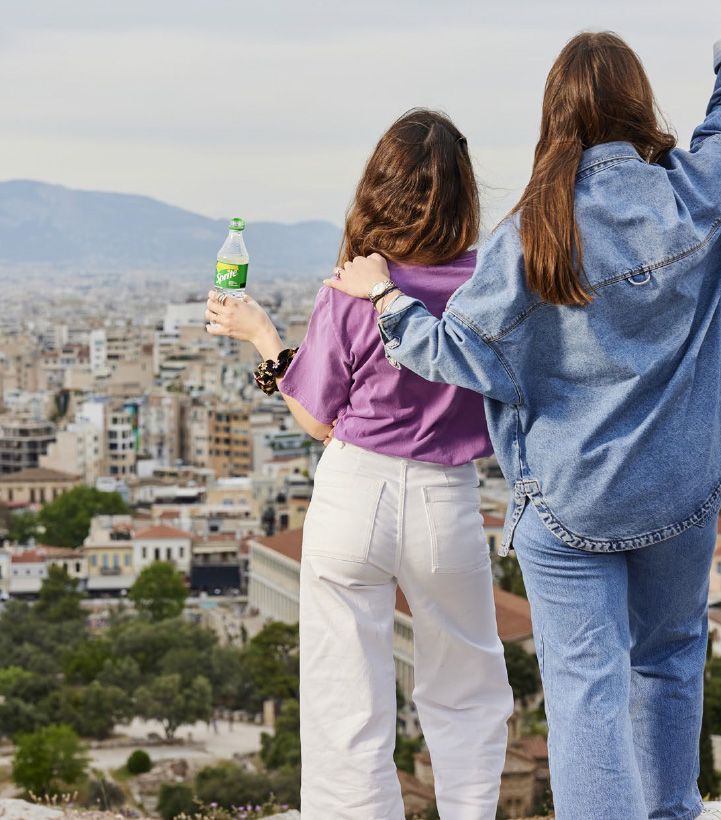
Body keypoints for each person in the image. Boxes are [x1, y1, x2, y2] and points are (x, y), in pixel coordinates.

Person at [323, 3, 721, 820]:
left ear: (555, 116)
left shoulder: (531, 238)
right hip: (682, 490)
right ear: (639, 106)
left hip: (571, 501)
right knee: (672, 657)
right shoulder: (699, 195)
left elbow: (456, 354)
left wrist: (386, 299)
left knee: (586, 690)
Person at [205, 109, 514, 820]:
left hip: (353, 492)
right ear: (464, 195)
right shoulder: (490, 284)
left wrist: (263, 339)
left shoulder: (352, 286)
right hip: (446, 501)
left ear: (379, 188)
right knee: (466, 686)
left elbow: (315, 417)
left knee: (346, 696)